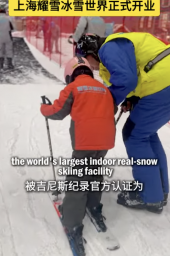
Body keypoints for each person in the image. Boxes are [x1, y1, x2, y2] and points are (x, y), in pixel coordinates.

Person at [74, 32, 170, 214]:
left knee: (134, 136)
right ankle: (159, 190)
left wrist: (108, 101)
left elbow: (127, 79)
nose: (87, 65)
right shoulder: (114, 49)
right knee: (146, 134)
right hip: (163, 83)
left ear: (91, 51)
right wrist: (130, 99)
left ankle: (149, 196)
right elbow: (134, 74)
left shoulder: (108, 47)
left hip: (162, 84)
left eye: (83, 58)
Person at [40, 56, 117, 256]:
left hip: (85, 142)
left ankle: (72, 222)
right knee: (94, 171)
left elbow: (57, 111)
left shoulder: (73, 88)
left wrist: (44, 108)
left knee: (78, 179)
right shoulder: (104, 89)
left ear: (70, 74)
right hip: (105, 141)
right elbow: (113, 108)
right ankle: (93, 204)